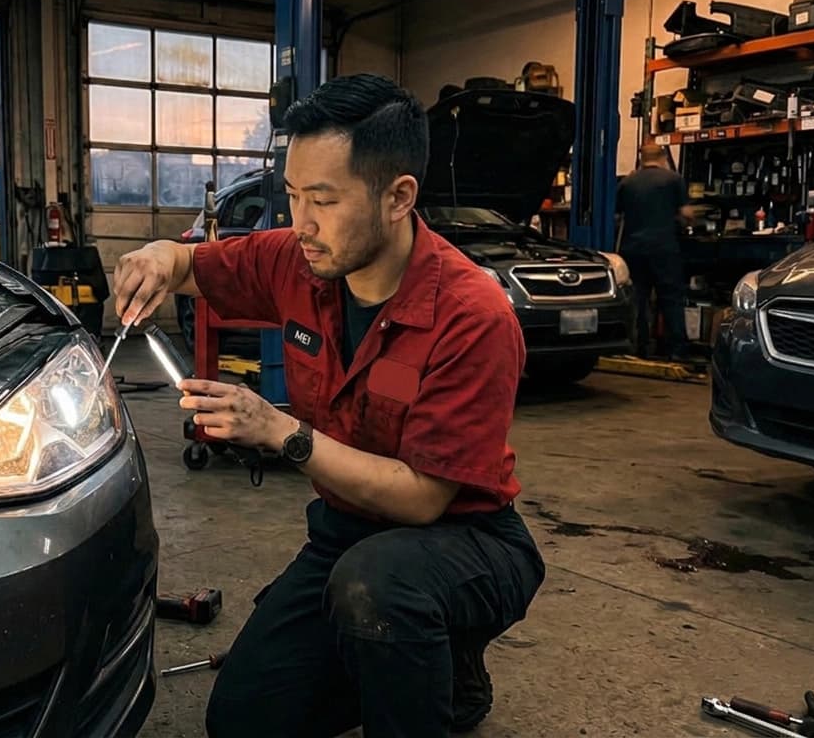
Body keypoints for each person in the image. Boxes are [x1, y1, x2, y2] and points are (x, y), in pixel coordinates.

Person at [112, 73, 546, 738]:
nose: (301, 223)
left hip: (465, 540)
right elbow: (193, 265)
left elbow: (424, 498)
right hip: (346, 535)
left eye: (323, 200)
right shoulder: (299, 260)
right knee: (242, 720)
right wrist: (159, 259)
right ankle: (396, 660)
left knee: (379, 587)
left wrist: (281, 431)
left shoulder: (470, 315)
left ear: (398, 196)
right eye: (291, 196)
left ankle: (448, 673)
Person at [615, 143, 697, 359]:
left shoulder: (628, 182)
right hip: (664, 249)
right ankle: (677, 351)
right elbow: (687, 213)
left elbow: (618, 214)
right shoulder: (672, 179)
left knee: (638, 300)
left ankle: (639, 348)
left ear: (642, 158)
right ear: (662, 158)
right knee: (670, 299)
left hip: (633, 249)